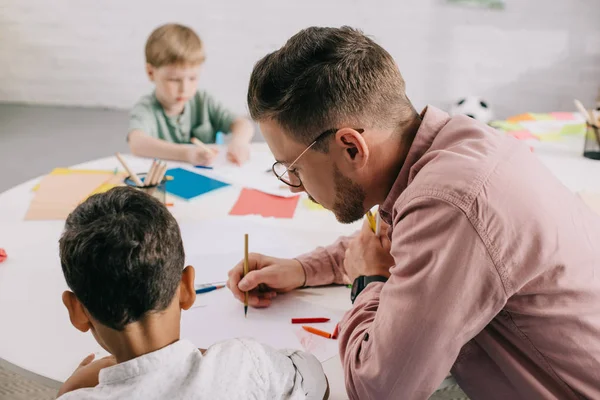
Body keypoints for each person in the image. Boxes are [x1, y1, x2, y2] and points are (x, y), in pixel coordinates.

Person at [227, 26, 600, 399]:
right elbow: (399, 242)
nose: (293, 184)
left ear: (352, 148)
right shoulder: (453, 144)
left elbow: (379, 389)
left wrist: (366, 283)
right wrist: (304, 269)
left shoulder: (452, 203)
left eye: (294, 168)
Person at [57, 187, 329, 399]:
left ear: (77, 311)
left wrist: (70, 390)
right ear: (187, 287)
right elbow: (312, 376)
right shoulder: (243, 363)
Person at [128, 23, 254, 166]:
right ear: (151, 72)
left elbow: (243, 124)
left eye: (193, 78)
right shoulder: (146, 108)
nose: (185, 88)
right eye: (174, 80)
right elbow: (137, 143)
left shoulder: (203, 101)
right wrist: (186, 153)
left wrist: (239, 141)